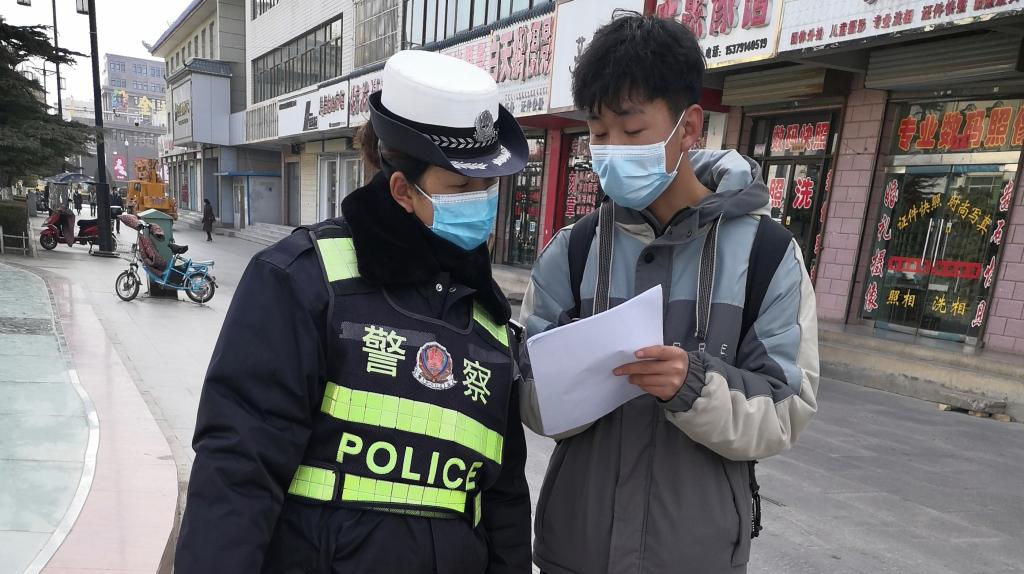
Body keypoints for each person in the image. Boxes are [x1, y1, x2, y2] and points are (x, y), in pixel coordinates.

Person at [174, 50, 532, 574]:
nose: (482, 201)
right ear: (402, 190)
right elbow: (238, 469)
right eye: (461, 187)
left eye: (488, 186)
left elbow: (503, 500)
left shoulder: (489, 318)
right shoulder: (302, 281)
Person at [519, 13, 819, 574]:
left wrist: (694, 387)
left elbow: (786, 410)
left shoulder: (767, 255)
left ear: (688, 127)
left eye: (631, 132)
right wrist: (575, 379)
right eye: (598, 134)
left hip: (695, 556)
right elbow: (531, 398)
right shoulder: (573, 251)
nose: (611, 149)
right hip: (578, 551)